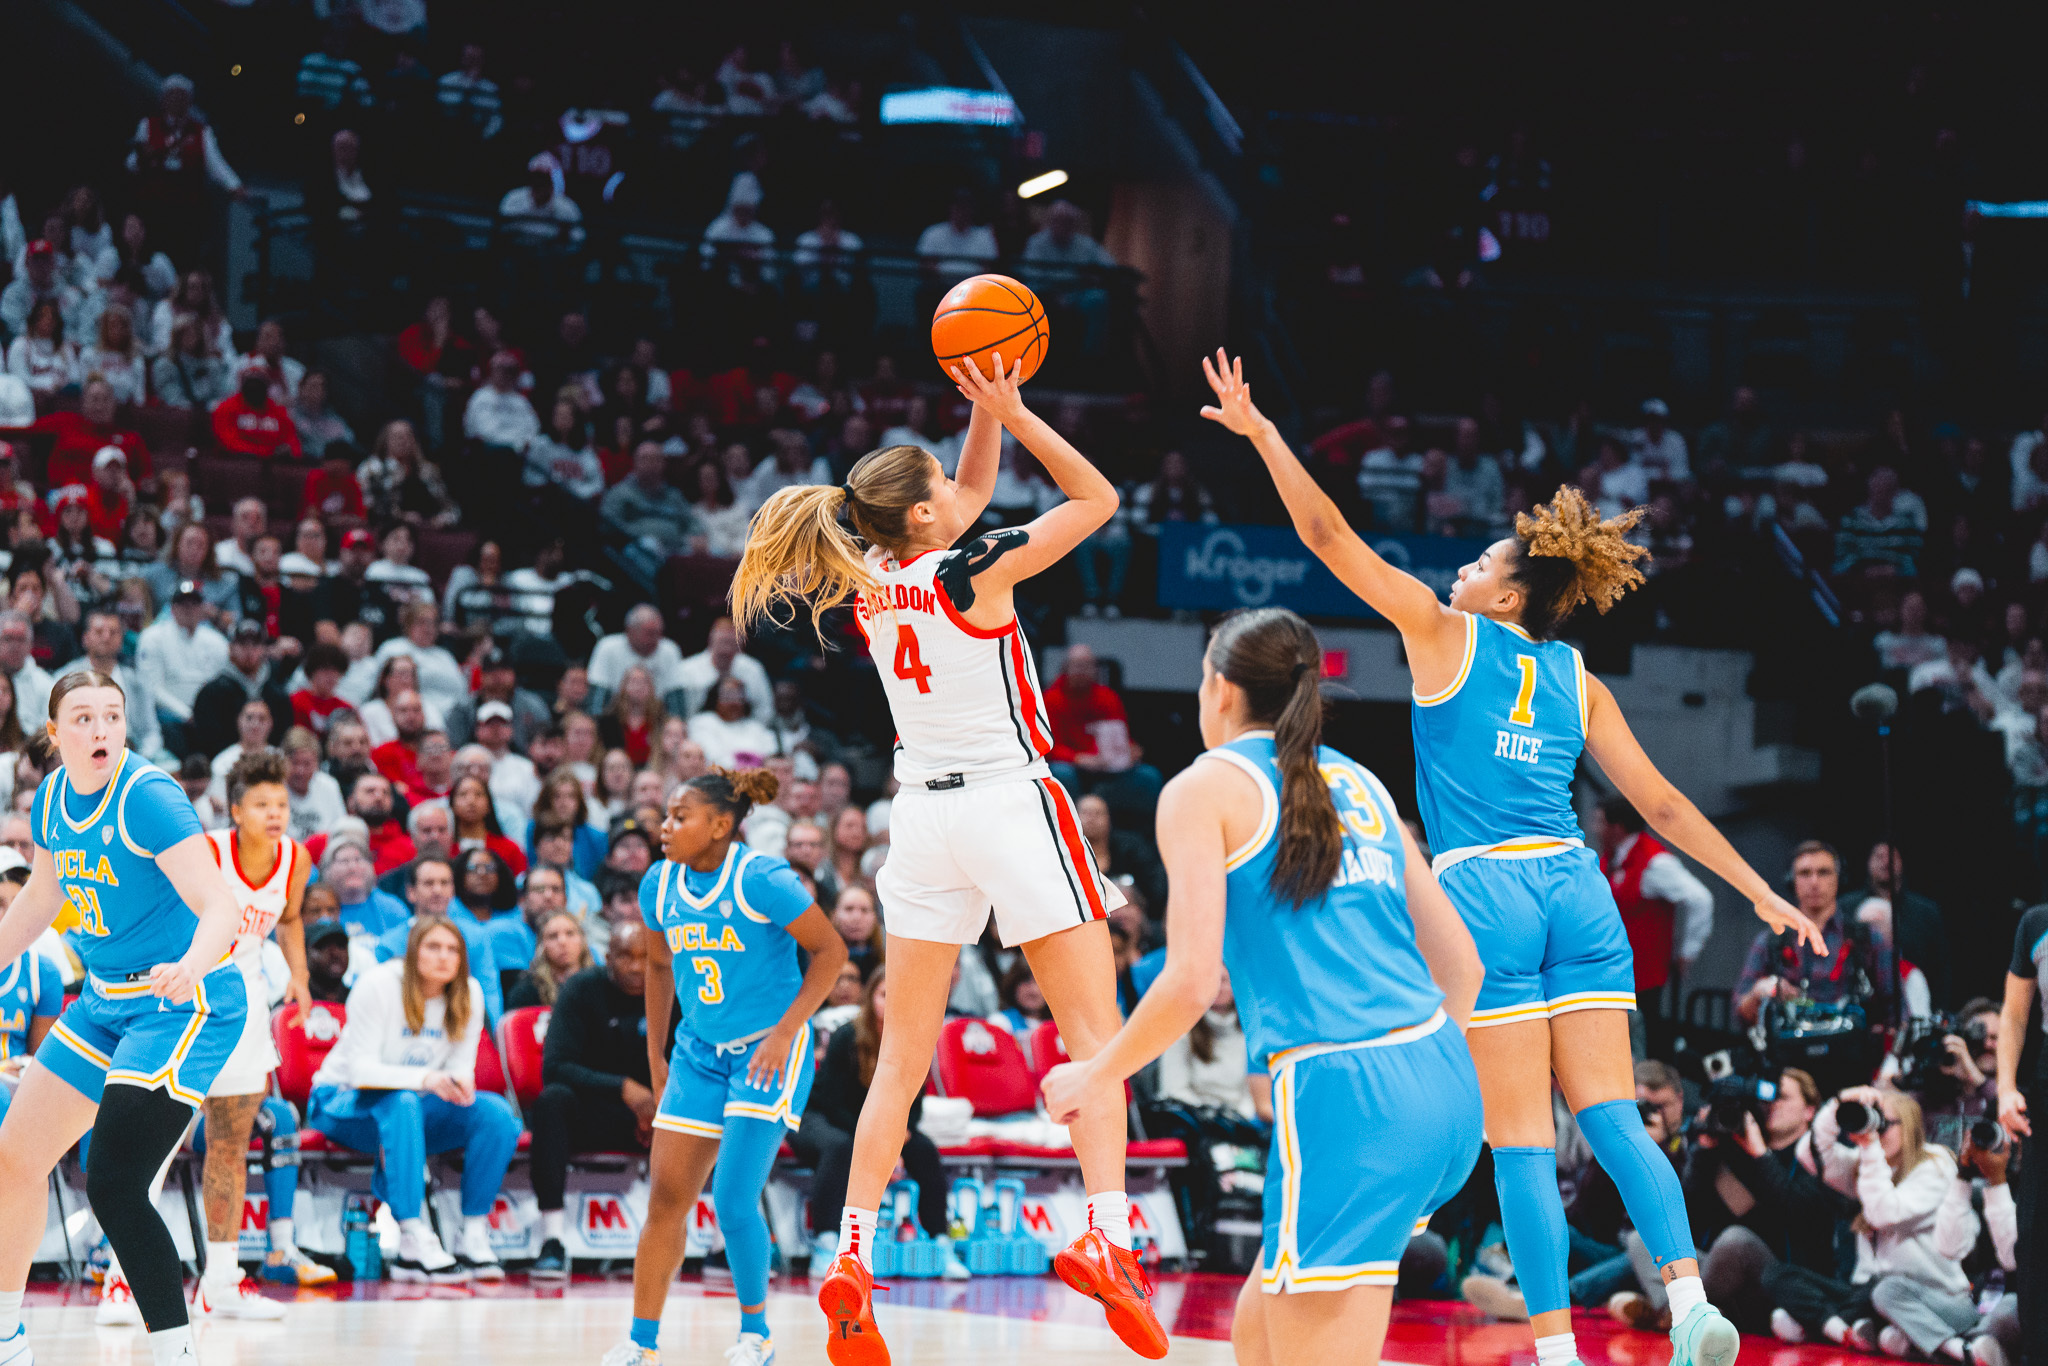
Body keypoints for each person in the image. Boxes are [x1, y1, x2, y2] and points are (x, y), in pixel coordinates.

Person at [1205, 349, 1814, 1366]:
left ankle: (1555, 1349)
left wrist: (1261, 431)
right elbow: (1657, 801)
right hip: (1573, 886)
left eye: (1480, 563)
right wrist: (1755, 890)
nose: (1462, 569)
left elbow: (1325, 536)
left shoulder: (1444, 637)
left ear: (1503, 598)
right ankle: (1689, 1296)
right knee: (1614, 1117)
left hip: (1482, 891)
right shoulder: (1574, 675)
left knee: (1522, 1141)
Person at [729, 352, 1162, 1361]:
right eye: (938, 486)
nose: (958, 493)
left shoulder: (874, 578)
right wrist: (1018, 410)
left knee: (900, 1064)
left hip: (917, 818)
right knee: (1094, 1039)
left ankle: (850, 1256)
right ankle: (1106, 1234)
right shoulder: (977, 567)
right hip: (1011, 804)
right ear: (923, 517)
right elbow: (1095, 495)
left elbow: (962, 496)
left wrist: (979, 416)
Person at [1038, 606, 1482, 1364]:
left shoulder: (1204, 788)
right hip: (1443, 1083)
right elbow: (1464, 968)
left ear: (1218, 688)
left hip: (1347, 1093)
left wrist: (1093, 1073)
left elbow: (1189, 981)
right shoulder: (1363, 783)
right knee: (1259, 1337)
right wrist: (1414, 1077)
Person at [0, 670, 249, 1366]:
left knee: (111, 1179)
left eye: (112, 715)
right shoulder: (51, 800)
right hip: (106, 998)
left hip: (184, 1001)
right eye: (82, 718)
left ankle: (176, 1353)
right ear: (55, 735)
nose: (101, 728)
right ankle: (7, 1340)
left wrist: (194, 962)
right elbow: (42, 898)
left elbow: (219, 906)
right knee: (13, 1158)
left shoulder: (149, 799)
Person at [601, 769, 846, 1366]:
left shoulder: (761, 879)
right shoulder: (658, 883)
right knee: (667, 1198)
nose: (664, 828)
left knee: (735, 1200)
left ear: (719, 826)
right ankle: (641, 1341)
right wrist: (655, 1056)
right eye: (666, 815)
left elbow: (831, 952)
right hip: (697, 1055)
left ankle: (755, 1334)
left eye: (679, 817)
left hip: (768, 1051)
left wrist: (787, 1031)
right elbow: (660, 970)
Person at [189, 750, 332, 1313]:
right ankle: (122, 1275)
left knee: (229, 1144)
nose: (276, 814)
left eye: (282, 804)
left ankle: (220, 1282)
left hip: (244, 1002)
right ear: (236, 809)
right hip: (184, 1000)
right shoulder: (205, 853)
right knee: (152, 1143)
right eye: (262, 804)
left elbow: (291, 918)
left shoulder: (295, 859)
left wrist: (298, 976)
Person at [308, 915, 520, 1282]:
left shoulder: (468, 992)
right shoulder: (379, 985)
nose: (444, 957)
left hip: (411, 1108)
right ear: (412, 952)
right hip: (339, 1102)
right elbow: (362, 1072)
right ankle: (411, 1232)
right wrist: (427, 1078)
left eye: (453, 950)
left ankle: (472, 1232)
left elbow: (459, 1067)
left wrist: (460, 1084)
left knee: (496, 1114)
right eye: (433, 947)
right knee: (401, 1102)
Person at [797, 966, 962, 1267]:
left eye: (899, 996)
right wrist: (877, 1144)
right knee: (841, 1147)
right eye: (885, 995)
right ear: (870, 997)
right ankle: (825, 1241)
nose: (892, 1002)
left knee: (924, 1150)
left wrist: (897, 1140)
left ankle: (941, 1241)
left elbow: (914, 1106)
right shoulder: (846, 1036)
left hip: (882, 1124)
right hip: (821, 1117)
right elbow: (834, 1104)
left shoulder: (913, 1040)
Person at [528, 921, 650, 1281]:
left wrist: (660, 1107)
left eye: (645, 957)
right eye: (626, 956)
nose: (636, 966)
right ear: (607, 957)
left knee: (715, 1106)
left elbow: (689, 1063)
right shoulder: (581, 989)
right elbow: (556, 1067)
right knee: (552, 1101)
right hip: (595, 1113)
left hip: (658, 1117)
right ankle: (552, 1240)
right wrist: (623, 1087)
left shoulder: (673, 991)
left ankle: (722, 1243)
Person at [507, 904, 594, 1009]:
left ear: (582, 940)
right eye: (553, 936)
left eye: (570, 933)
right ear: (541, 946)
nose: (562, 942)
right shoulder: (526, 991)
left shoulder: (599, 984)